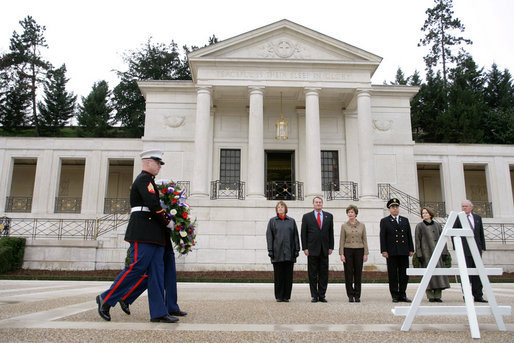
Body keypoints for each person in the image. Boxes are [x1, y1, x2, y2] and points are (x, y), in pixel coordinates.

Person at [96, 149, 179, 323]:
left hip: (153, 233)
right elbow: (153, 205)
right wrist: (167, 221)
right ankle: (106, 298)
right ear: (147, 162)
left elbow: (154, 205)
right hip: (143, 231)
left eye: (160, 163)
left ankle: (158, 312)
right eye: (157, 163)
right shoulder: (144, 180)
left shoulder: (150, 182)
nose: (159, 167)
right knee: (137, 267)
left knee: (157, 272)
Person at [117, 228, 187, 318]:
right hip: (154, 236)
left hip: (163, 237)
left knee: (170, 274)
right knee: (154, 274)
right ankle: (126, 296)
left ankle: (171, 306)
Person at [380, 198, 414, 303]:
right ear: (389, 209)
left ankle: (402, 294)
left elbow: (409, 235)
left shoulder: (405, 220)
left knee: (404, 274)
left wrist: (411, 249)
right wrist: (384, 250)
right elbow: (383, 237)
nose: (395, 209)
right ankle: (394, 294)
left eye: (396, 207)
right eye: (392, 207)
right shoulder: (385, 221)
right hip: (392, 252)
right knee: (393, 274)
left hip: (403, 251)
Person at [301, 196, 334, 303]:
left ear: (322, 204)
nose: (318, 204)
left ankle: (322, 295)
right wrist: (305, 247)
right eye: (316, 202)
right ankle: (314, 295)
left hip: (324, 249)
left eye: (320, 202)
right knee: (312, 274)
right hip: (312, 249)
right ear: (313, 204)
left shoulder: (329, 216)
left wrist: (331, 247)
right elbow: (303, 234)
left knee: (324, 274)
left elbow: (330, 233)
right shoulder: (307, 217)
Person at [266, 201, 300, 302]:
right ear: (276, 209)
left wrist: (297, 249)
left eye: (282, 207)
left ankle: (286, 296)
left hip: (289, 253)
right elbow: (269, 237)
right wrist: (270, 250)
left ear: (285, 209)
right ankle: (279, 296)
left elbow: (295, 236)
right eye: (279, 207)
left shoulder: (291, 221)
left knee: (288, 276)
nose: (280, 208)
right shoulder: (272, 221)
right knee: (278, 276)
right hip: (277, 252)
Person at [454, 200, 487, 303]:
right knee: (466, 273)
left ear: (471, 207)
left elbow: (480, 233)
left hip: (476, 249)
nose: (464, 208)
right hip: (464, 249)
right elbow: (454, 233)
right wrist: (457, 246)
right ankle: (467, 295)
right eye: (462, 206)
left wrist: (483, 247)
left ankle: (478, 295)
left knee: (477, 273)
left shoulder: (477, 218)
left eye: (466, 206)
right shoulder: (458, 218)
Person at [414, 207, 450, 302]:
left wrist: (444, 252)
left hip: (437, 253)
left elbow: (443, 239)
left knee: (438, 274)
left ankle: (438, 295)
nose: (424, 215)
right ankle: (430, 296)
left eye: (426, 213)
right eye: (423, 213)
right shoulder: (419, 226)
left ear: (430, 214)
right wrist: (419, 253)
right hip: (426, 254)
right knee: (428, 275)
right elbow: (417, 241)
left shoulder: (438, 226)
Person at [339, 204, 368, 303]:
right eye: (349, 212)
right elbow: (341, 240)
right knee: (348, 273)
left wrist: (366, 253)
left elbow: (364, 239)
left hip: (359, 250)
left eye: (352, 212)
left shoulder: (362, 225)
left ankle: (357, 295)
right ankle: (350, 295)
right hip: (348, 250)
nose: (350, 214)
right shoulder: (344, 226)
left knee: (358, 273)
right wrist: (341, 254)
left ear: (356, 213)